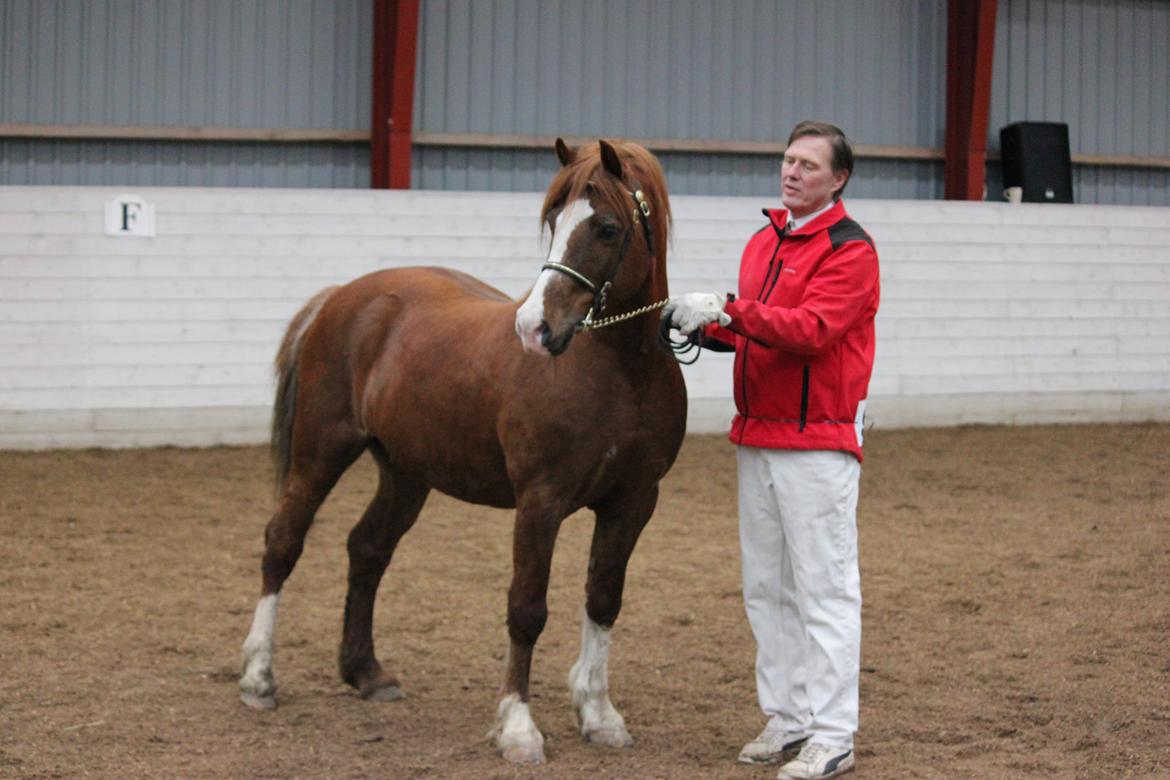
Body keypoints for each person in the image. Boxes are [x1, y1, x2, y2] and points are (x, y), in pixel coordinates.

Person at [662, 121, 879, 780]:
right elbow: (758, 331)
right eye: (789, 160)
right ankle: (786, 716)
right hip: (758, 433)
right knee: (767, 589)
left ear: (837, 178)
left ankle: (833, 731)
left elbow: (813, 331)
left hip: (817, 442)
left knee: (824, 590)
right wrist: (704, 323)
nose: (792, 172)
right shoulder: (764, 240)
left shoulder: (850, 250)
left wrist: (731, 311)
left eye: (808, 165)